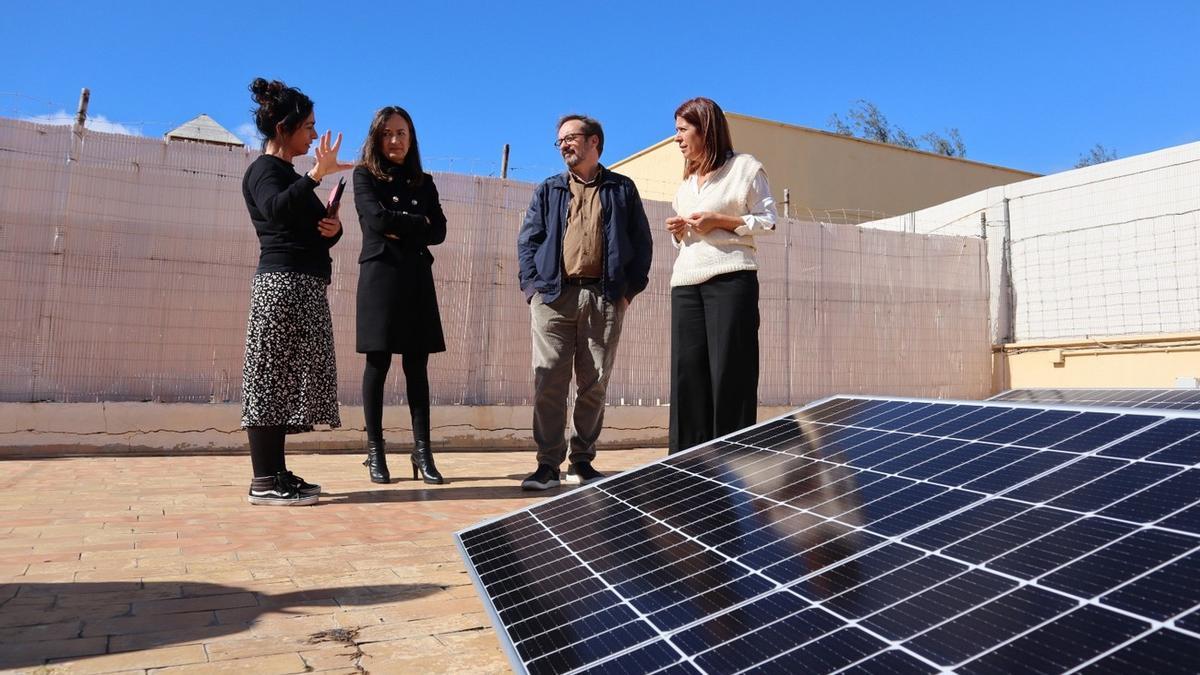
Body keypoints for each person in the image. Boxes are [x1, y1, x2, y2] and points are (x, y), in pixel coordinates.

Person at [517, 115, 654, 490]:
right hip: (552, 299)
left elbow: (642, 245)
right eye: (558, 140)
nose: (563, 145)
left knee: (594, 383)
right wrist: (533, 289)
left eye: (570, 138)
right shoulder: (549, 190)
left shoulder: (621, 189)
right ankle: (547, 464)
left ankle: (581, 460)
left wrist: (628, 292)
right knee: (548, 381)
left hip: (604, 297)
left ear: (594, 142)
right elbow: (528, 241)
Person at [240, 77, 351, 505]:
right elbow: (274, 209)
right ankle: (262, 481)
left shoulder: (289, 175)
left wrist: (333, 226)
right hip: (280, 286)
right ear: (284, 127)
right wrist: (315, 177)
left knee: (284, 383)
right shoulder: (264, 170)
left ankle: (277, 471)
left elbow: (311, 232)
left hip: (303, 286)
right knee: (268, 380)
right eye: (308, 126)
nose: (313, 135)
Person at [666, 97, 777, 454]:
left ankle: (733, 462)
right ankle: (686, 465)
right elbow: (686, 240)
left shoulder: (745, 168)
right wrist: (679, 230)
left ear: (706, 129)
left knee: (730, 372)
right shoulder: (686, 184)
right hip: (685, 282)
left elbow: (768, 220)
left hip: (731, 279)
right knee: (688, 375)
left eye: (683, 130)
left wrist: (720, 221)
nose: (677, 139)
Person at [353, 106, 447, 485]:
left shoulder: (424, 183)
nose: (395, 140)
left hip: (416, 278)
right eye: (388, 133)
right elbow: (375, 220)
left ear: (412, 138)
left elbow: (439, 230)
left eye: (402, 133)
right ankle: (375, 451)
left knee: (417, 367)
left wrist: (405, 225)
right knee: (377, 363)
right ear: (377, 138)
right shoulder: (364, 176)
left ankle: (422, 451)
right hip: (380, 276)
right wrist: (417, 224)